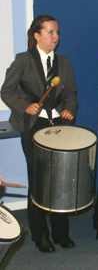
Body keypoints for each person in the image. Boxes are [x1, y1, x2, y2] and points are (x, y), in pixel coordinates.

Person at [1, 15, 78, 252]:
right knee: (39, 180)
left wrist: (68, 109)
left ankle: (61, 233)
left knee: (60, 179)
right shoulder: (23, 60)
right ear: (37, 35)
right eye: (50, 32)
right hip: (34, 126)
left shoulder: (63, 62)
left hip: (58, 127)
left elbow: (71, 93)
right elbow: (7, 91)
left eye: (56, 33)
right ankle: (39, 234)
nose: (55, 37)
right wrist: (25, 106)